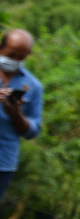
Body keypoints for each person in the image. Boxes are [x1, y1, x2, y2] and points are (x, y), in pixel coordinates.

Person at [0, 29, 43, 208]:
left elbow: (33, 129)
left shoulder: (33, 86)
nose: (14, 60)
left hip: (3, 160)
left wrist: (16, 114)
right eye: (11, 55)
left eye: (20, 57)